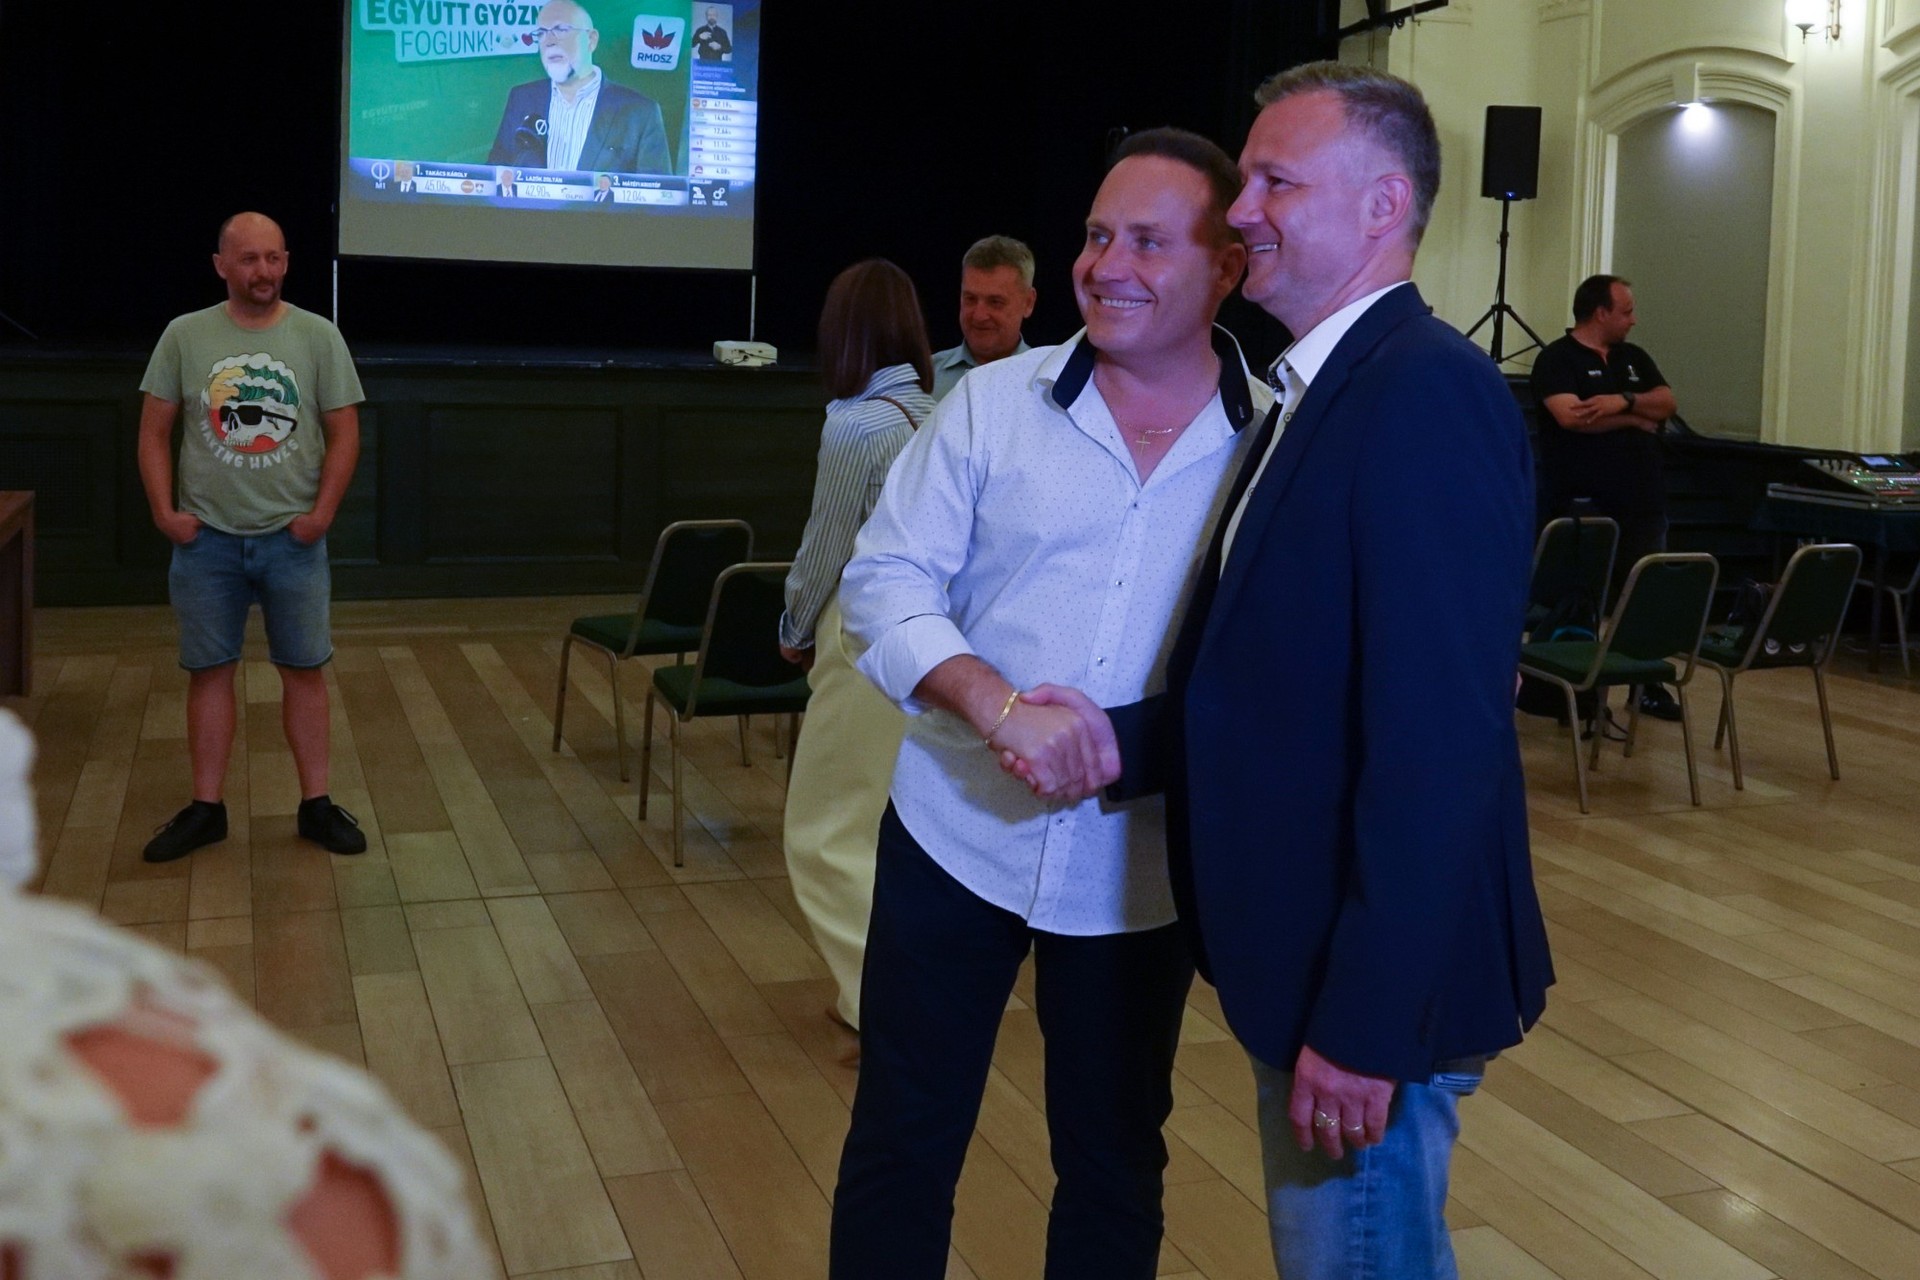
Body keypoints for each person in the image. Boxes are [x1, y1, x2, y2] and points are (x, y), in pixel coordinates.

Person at [833, 127, 1269, 1279]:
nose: (1105, 264)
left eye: (1148, 241)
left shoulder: (1272, 442)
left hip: (1137, 871)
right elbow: (882, 579)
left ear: (1226, 266)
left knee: (1115, 1161)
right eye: (1095, 234)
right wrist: (994, 701)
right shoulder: (989, 405)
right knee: (902, 1142)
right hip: (953, 832)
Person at [1163, 62, 1554, 1279]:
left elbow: (1440, 740)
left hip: (1367, 991)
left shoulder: (1422, 391)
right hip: (1315, 950)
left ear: (1384, 206)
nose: (1239, 210)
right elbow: (1279, 685)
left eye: (1274, 181)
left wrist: (1367, 1020)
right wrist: (1111, 738)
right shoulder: (1325, 386)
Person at [136, 212, 370, 863]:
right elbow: (152, 431)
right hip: (205, 542)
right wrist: (164, 513)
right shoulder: (185, 335)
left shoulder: (318, 336)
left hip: (293, 542)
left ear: (286, 262)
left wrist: (322, 515)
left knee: (305, 671)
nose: (262, 271)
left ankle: (316, 805)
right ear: (221, 266)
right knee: (209, 674)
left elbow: (345, 432)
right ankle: (206, 809)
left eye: (273, 258)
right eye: (248, 259)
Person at [776, 260, 935, 1055]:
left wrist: (794, 625)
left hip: (862, 633)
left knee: (824, 833)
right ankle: (907, 993)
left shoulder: (858, 425)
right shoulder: (939, 411)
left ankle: (885, 1007)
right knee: (882, 829)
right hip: (929, 639)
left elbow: (826, 545)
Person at [1530, 273, 1683, 720]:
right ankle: (1576, 690)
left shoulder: (1634, 358)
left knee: (1644, 597)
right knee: (1582, 600)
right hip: (1584, 505)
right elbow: (1571, 417)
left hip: (1643, 501)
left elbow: (1666, 403)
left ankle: (1646, 684)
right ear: (1600, 313)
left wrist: (1621, 402)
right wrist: (1635, 419)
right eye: (1626, 311)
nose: (1633, 320)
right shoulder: (1556, 359)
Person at [488, 1, 672, 175]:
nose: (549, 41)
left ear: (591, 40)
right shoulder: (522, 99)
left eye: (561, 29)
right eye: (542, 33)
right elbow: (495, 175)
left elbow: (657, 193)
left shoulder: (640, 112)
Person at [930, 235, 1038, 400]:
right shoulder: (925, 379)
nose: (979, 316)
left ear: (1028, 302)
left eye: (995, 302)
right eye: (970, 299)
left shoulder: (1047, 380)